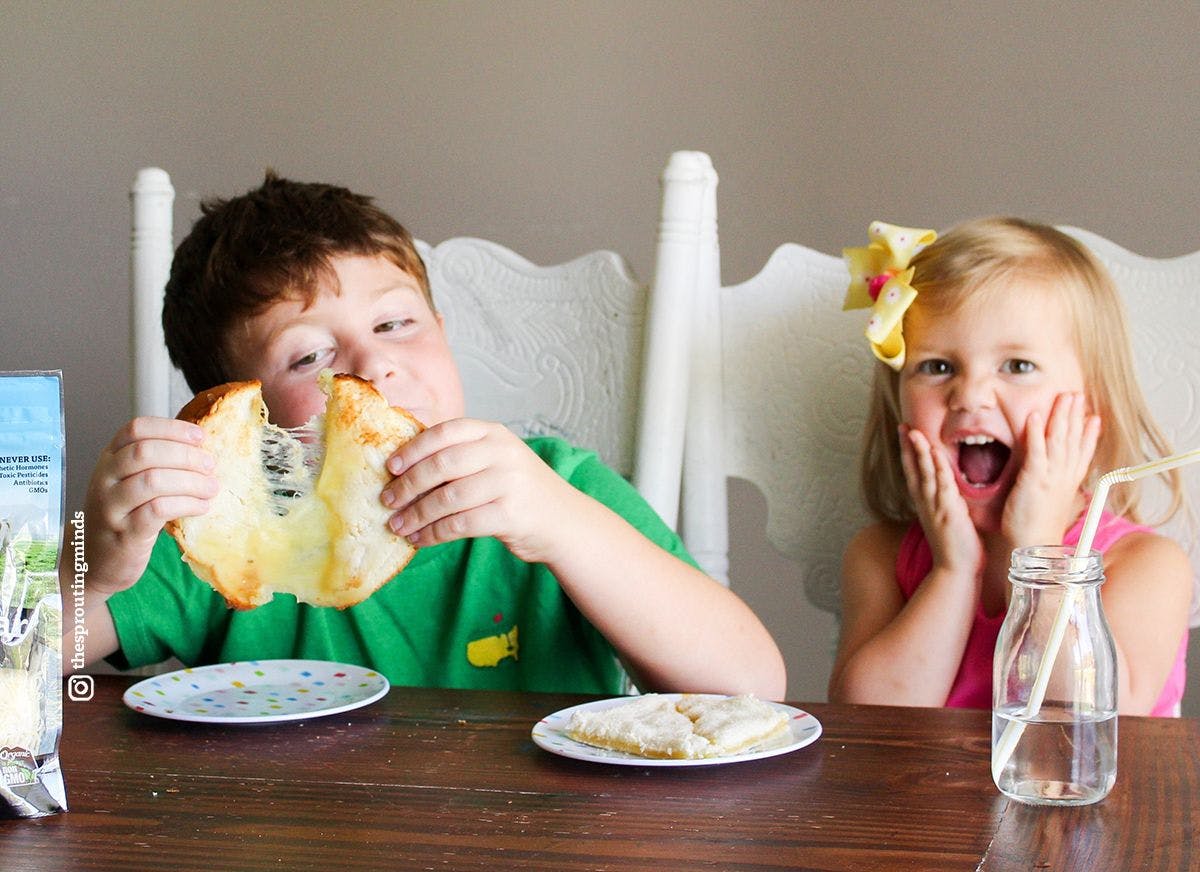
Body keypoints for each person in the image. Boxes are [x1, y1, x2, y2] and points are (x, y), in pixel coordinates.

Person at [66, 172, 786, 699]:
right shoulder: (216, 533)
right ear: (233, 416)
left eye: (394, 324)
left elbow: (752, 683)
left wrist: (561, 526)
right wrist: (96, 574)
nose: (373, 366)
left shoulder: (553, 488)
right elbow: (18, 675)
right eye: (309, 355)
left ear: (443, 333)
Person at [828, 217, 1191, 715]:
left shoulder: (1145, 566)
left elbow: (1097, 720)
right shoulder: (880, 557)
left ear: (1090, 405)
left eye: (1017, 367)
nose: (970, 396)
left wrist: (1037, 550)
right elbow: (867, 722)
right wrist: (953, 573)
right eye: (937, 367)